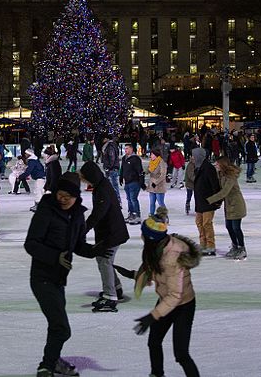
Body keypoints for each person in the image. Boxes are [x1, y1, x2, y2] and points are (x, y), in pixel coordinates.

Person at [24, 171, 104, 377]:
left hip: (59, 279)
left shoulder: (77, 215)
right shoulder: (46, 211)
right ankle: (46, 366)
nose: (63, 199)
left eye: (68, 196)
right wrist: (55, 257)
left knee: (56, 326)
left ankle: (54, 360)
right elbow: (31, 244)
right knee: (61, 328)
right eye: (60, 194)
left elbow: (78, 245)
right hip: (42, 278)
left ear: (76, 196)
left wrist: (96, 250)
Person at [115, 207, 201, 377]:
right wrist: (135, 275)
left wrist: (153, 316)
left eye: (143, 234)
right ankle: (157, 374)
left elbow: (175, 295)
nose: (141, 237)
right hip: (166, 300)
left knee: (181, 354)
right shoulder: (156, 248)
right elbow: (158, 274)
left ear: (150, 237)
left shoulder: (172, 257)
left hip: (183, 304)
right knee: (154, 342)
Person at [79, 161, 129, 312]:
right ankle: (116, 288)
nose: (84, 182)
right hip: (109, 232)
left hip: (112, 232)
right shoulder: (101, 185)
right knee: (103, 259)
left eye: (85, 178)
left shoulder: (102, 189)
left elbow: (99, 213)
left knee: (105, 260)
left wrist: (84, 229)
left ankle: (110, 296)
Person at [206, 156, 247, 260]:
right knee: (229, 226)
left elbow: (224, 192)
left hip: (236, 204)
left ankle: (242, 249)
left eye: (218, 164)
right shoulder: (221, 174)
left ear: (223, 165)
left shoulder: (231, 176)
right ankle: (235, 246)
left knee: (236, 228)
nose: (216, 165)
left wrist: (210, 200)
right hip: (229, 205)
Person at [192, 146, 221, 256]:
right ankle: (203, 244)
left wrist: (215, 201)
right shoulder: (198, 167)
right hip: (200, 201)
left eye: (194, 156)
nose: (192, 158)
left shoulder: (208, 168)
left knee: (206, 224)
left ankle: (210, 246)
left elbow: (215, 186)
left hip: (208, 202)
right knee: (199, 223)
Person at [120, 143, 144, 225]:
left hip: (134, 182)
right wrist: (121, 177)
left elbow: (140, 171)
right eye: (125, 148)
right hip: (127, 182)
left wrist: (141, 182)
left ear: (131, 149)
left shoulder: (135, 159)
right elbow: (122, 169)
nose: (125, 150)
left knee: (133, 199)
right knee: (129, 199)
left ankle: (137, 215)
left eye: (127, 148)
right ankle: (131, 214)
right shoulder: (124, 158)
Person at [146, 149, 168, 216]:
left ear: (156, 155)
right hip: (151, 186)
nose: (151, 156)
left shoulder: (162, 162)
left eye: (152, 154)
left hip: (159, 186)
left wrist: (156, 182)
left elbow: (163, 175)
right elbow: (149, 170)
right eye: (151, 154)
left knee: (160, 202)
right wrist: (144, 172)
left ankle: (164, 216)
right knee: (152, 202)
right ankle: (151, 215)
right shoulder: (151, 162)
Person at [101, 136, 122, 204]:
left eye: (104, 138)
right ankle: (114, 200)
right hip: (111, 168)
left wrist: (108, 167)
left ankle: (117, 201)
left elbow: (112, 158)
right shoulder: (109, 146)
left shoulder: (110, 146)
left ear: (107, 139)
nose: (103, 140)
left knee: (114, 186)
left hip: (112, 169)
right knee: (111, 186)